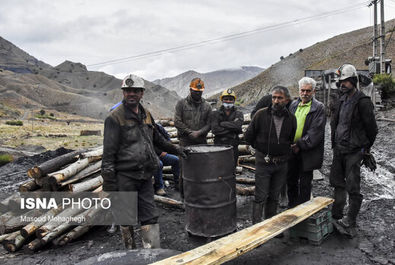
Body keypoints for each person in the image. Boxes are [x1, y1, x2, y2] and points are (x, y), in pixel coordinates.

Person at [101, 74, 187, 249]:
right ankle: (130, 254)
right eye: (127, 91)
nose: (131, 94)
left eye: (135, 91)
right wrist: (110, 187)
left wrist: (177, 150)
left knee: (150, 217)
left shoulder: (146, 115)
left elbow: (158, 140)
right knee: (126, 219)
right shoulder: (114, 118)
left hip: (146, 176)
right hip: (125, 177)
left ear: (142, 93)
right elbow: (108, 155)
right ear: (123, 93)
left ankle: (152, 255)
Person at [330, 64, 378, 238]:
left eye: (345, 81)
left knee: (352, 185)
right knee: (337, 182)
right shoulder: (340, 100)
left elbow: (372, 129)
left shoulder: (363, 102)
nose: (342, 84)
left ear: (353, 81)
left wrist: (365, 148)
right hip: (339, 149)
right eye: (340, 82)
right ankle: (336, 214)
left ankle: (350, 219)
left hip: (354, 151)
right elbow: (335, 124)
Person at [245, 86, 297, 225]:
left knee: (274, 196)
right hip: (263, 163)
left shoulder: (291, 119)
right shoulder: (260, 115)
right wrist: (262, 149)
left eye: (280, 98)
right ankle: (255, 227)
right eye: (274, 97)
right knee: (260, 196)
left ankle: (270, 225)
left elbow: (290, 139)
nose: (276, 101)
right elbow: (248, 136)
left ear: (286, 100)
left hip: (281, 164)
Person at [287, 77, 326, 208]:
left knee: (305, 183)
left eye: (308, 91)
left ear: (313, 92)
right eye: (302, 90)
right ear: (299, 91)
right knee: (291, 180)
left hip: (307, 152)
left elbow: (316, 132)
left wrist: (299, 145)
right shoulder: (293, 105)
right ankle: (292, 207)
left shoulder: (319, 107)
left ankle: (303, 209)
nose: (305, 93)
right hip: (292, 150)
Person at [174, 78, 212, 196]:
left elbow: (209, 123)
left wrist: (199, 132)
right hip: (185, 142)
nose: (198, 93)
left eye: (200, 92)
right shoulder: (181, 104)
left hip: (201, 142)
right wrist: (189, 132)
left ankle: (200, 195)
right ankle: (184, 197)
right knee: (184, 171)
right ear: (190, 89)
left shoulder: (207, 106)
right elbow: (177, 121)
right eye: (195, 91)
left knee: (202, 170)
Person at [211, 89, 244, 169]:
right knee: (219, 169)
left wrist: (222, 124)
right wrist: (232, 128)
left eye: (230, 99)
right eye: (226, 99)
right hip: (219, 146)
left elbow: (238, 126)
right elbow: (215, 130)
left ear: (234, 100)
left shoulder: (239, 113)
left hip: (233, 147)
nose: (228, 101)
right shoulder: (215, 113)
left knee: (232, 170)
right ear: (222, 100)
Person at [153, 123, 180, 195]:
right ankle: (159, 187)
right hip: (149, 156)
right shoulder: (143, 129)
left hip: (161, 154)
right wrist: (159, 152)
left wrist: (167, 149)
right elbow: (146, 145)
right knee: (159, 164)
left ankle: (178, 183)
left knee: (176, 160)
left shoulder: (158, 127)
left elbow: (166, 138)